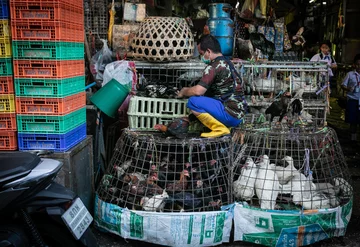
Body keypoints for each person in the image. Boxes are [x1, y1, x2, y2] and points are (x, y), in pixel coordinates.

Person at [177, 34, 247, 138]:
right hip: (239, 114)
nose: (201, 57)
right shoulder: (228, 63)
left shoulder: (214, 66)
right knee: (205, 98)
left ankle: (220, 129)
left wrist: (184, 91)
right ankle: (223, 127)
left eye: (201, 54)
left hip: (230, 114)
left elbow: (198, 91)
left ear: (208, 52)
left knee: (193, 101)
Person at [341, 54, 360, 141]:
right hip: (352, 100)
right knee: (353, 121)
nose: (359, 66)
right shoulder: (350, 74)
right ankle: (353, 139)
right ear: (354, 65)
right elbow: (343, 85)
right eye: (357, 64)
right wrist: (349, 88)